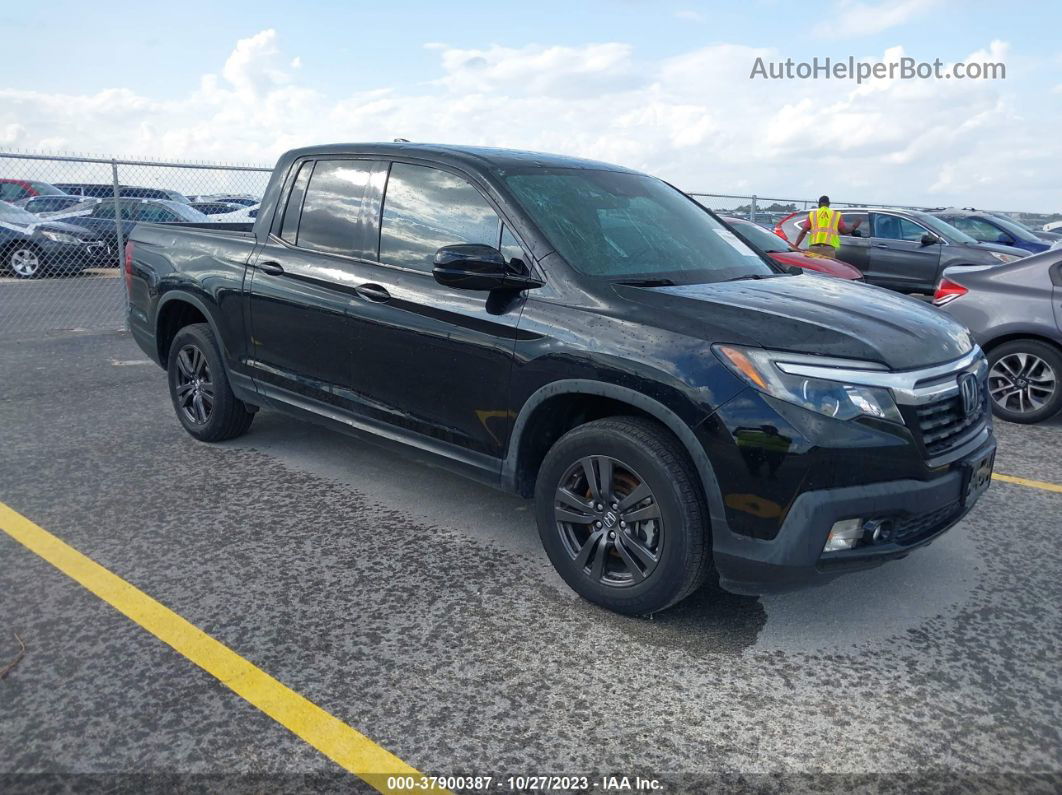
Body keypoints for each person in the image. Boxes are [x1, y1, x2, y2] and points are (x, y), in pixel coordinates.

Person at [793, 195, 860, 258]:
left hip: (814, 248)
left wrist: (795, 246)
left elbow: (803, 232)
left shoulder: (812, 214)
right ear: (829, 204)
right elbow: (843, 231)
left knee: (814, 269)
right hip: (828, 249)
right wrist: (854, 226)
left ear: (819, 204)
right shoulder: (836, 215)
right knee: (826, 269)